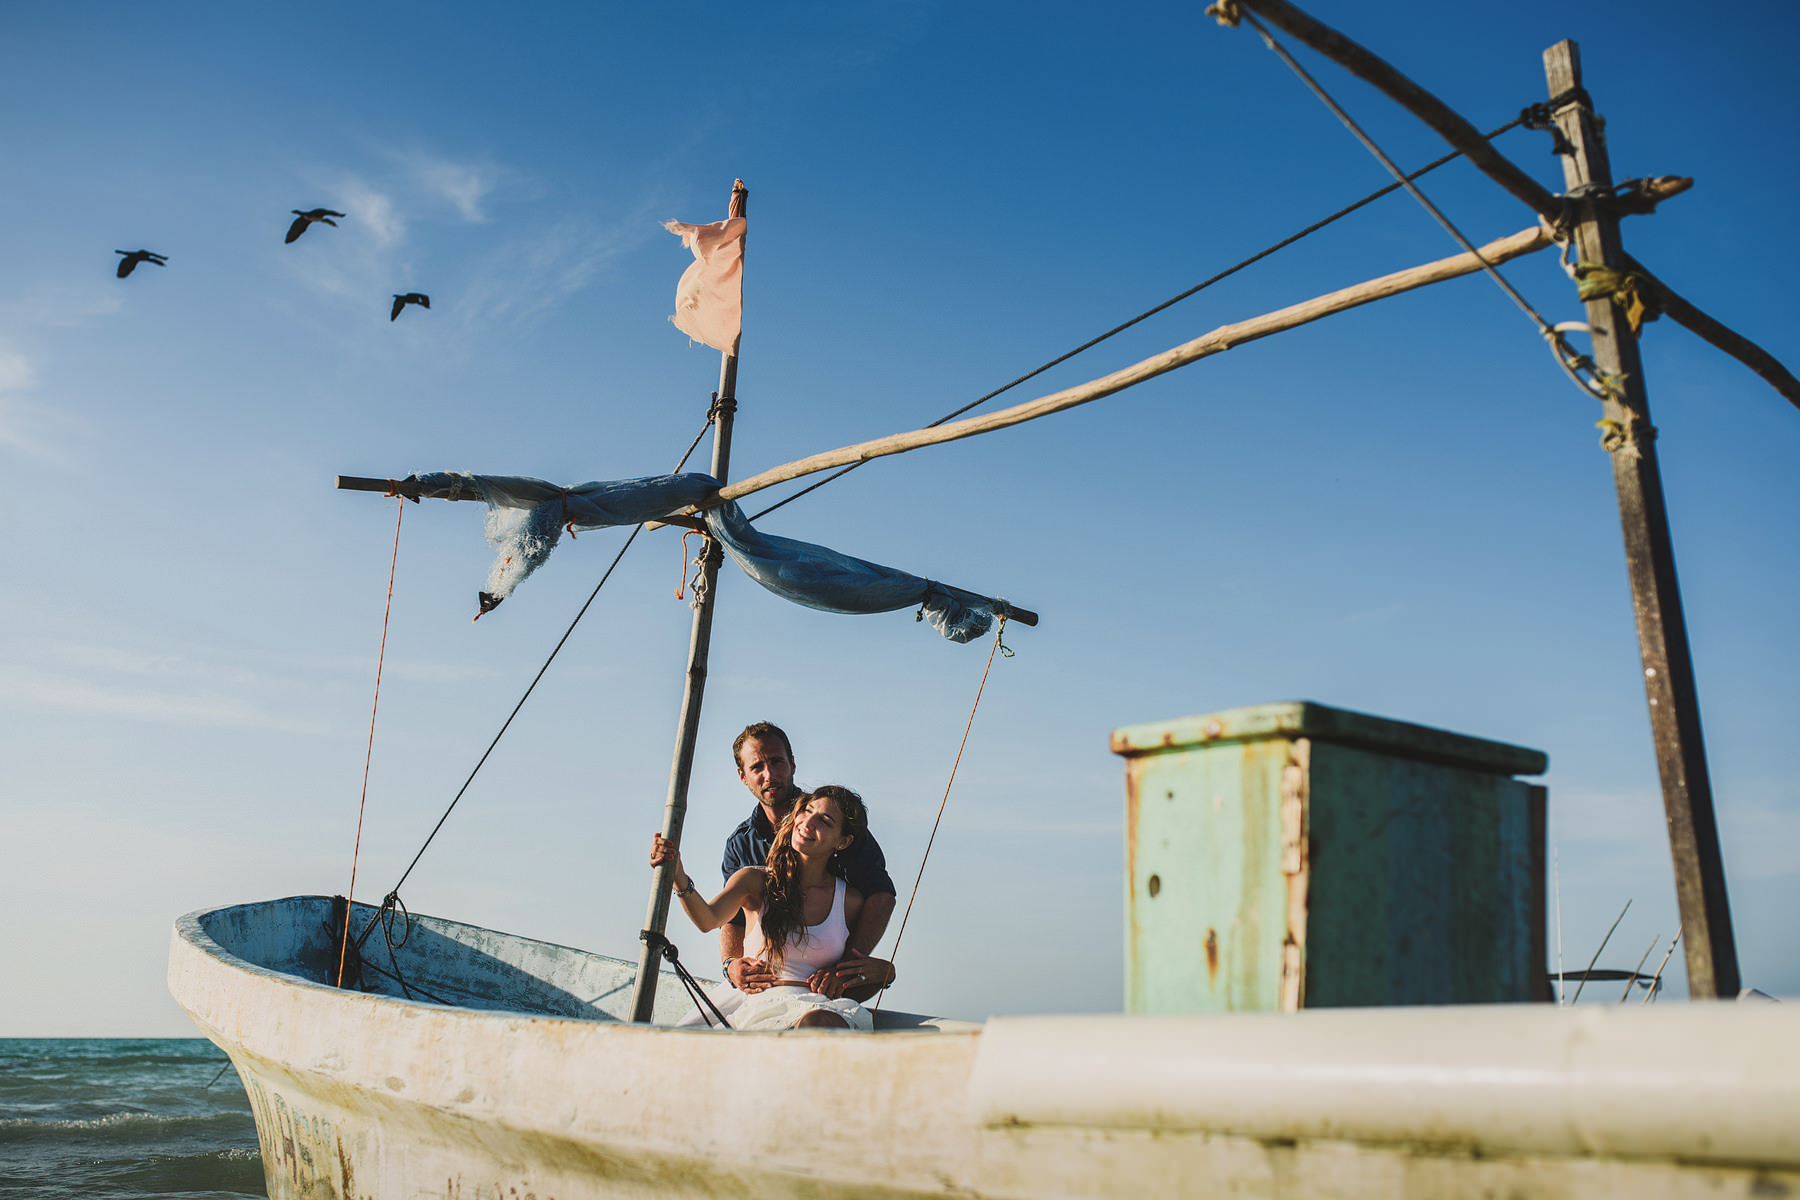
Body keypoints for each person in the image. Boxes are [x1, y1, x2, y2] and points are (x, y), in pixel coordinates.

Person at [651, 786, 888, 1030]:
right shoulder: (754, 881)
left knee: (818, 1022)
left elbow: (857, 973)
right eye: (807, 810)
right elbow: (707, 919)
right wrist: (679, 876)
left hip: (823, 1010)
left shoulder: (849, 899)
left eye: (825, 821)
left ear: (843, 841)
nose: (808, 822)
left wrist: (887, 974)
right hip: (758, 1007)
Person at [720, 722, 897, 1001]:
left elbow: (881, 896)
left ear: (792, 763)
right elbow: (733, 918)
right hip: (759, 993)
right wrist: (730, 965)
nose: (769, 775)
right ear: (743, 776)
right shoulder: (741, 844)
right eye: (757, 767)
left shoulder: (839, 825)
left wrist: (843, 968)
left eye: (777, 762)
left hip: (817, 993)